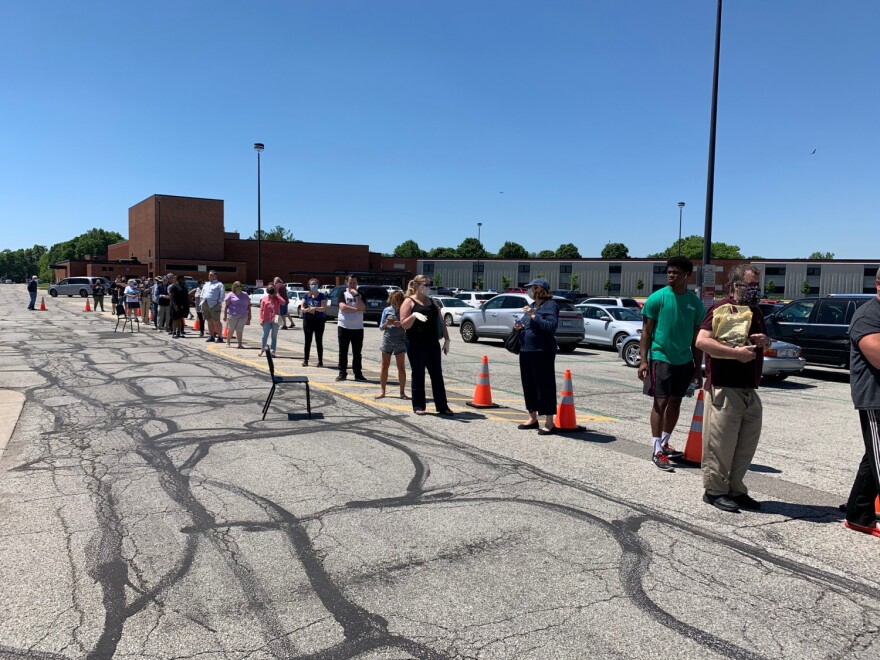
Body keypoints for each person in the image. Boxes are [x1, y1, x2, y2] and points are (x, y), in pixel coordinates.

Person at [695, 265, 769, 512]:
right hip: (725, 388)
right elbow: (702, 341)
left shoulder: (754, 311)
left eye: (757, 285)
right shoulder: (720, 309)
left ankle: (736, 489)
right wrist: (734, 354)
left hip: (749, 388)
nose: (755, 291)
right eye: (750, 286)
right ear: (735, 285)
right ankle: (714, 491)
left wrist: (763, 341)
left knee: (745, 445)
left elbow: (761, 340)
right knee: (720, 445)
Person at [638, 256, 705, 472]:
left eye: (675, 272)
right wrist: (643, 361)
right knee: (660, 402)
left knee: (676, 402)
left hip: (684, 360)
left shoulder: (695, 304)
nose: (671, 275)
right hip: (661, 357)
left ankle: (665, 442)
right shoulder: (657, 298)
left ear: (687, 275)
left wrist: (697, 369)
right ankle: (656, 449)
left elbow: (697, 341)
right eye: (669, 272)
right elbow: (646, 332)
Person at [843, 267, 880, 537]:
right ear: (878, 284)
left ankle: (859, 513)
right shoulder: (868, 315)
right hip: (876, 399)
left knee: (874, 457)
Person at [399, 274, 452, 415]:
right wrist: (414, 316)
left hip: (432, 342)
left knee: (437, 374)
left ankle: (442, 406)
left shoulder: (432, 302)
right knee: (418, 373)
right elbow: (404, 324)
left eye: (429, 284)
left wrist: (447, 340)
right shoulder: (409, 302)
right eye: (425, 284)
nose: (428, 287)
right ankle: (418, 405)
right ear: (416, 286)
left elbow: (441, 322)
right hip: (415, 343)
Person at [514, 278, 559, 435]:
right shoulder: (533, 306)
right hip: (526, 350)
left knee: (544, 386)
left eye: (533, 288)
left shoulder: (551, 305)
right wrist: (519, 326)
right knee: (529, 384)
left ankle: (549, 422)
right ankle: (532, 417)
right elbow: (528, 324)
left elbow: (551, 327)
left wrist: (534, 316)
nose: (530, 291)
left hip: (542, 351)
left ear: (541, 290)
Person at [375, 291, 409, 399]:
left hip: (400, 340)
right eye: (394, 300)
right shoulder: (387, 310)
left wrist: (401, 324)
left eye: (398, 300)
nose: (396, 303)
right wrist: (386, 323)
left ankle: (402, 392)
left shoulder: (405, 311)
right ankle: (382, 391)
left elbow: (408, 327)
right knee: (384, 366)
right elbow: (380, 327)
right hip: (387, 339)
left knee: (401, 367)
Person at [336, 275, 367, 382]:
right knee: (343, 351)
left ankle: (358, 374)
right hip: (344, 326)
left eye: (354, 283)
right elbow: (343, 307)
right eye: (350, 283)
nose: (352, 285)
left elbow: (363, 307)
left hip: (358, 328)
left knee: (357, 353)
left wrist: (357, 296)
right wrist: (357, 309)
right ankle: (342, 373)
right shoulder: (342, 293)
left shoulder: (361, 294)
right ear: (346, 283)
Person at [300, 278, 327, 367]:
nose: (313, 286)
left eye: (315, 284)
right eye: (312, 284)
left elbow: (323, 308)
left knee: (319, 341)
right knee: (308, 341)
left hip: (319, 321)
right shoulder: (306, 296)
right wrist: (306, 309)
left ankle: (320, 361)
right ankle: (306, 360)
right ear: (309, 285)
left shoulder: (322, 296)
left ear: (318, 285)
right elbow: (302, 308)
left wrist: (315, 308)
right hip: (308, 320)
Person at [223, 281, 252, 349]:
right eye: (236, 286)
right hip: (232, 315)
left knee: (240, 329)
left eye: (239, 286)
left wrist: (249, 315)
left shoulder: (245, 294)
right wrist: (225, 316)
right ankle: (228, 342)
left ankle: (240, 344)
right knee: (231, 329)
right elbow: (226, 306)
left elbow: (249, 305)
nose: (238, 287)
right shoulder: (230, 294)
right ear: (234, 287)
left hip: (243, 315)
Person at [201, 271, 225, 343]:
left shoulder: (219, 284)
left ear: (215, 276)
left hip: (214, 304)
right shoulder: (206, 284)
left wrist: (219, 302)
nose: (209, 276)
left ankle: (220, 337)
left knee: (216, 321)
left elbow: (222, 294)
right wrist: (202, 299)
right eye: (209, 275)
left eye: (211, 275)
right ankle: (212, 336)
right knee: (208, 320)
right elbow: (202, 293)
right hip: (205, 303)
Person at [259, 285, 282, 357]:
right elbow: (261, 309)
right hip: (266, 318)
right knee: (265, 335)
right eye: (270, 291)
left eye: (273, 291)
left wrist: (278, 295)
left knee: (274, 336)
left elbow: (284, 302)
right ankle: (263, 348)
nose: (271, 294)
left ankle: (272, 350)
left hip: (276, 318)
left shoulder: (277, 298)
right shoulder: (265, 298)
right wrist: (261, 319)